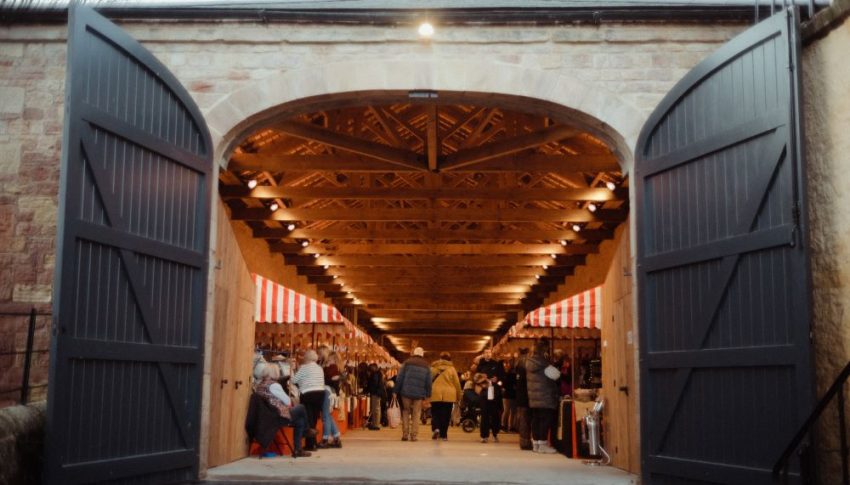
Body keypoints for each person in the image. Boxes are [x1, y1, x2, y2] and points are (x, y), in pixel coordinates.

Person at [249, 363, 313, 457]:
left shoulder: (260, 385)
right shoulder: (274, 385)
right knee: (301, 407)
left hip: (266, 417)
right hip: (277, 416)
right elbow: (288, 401)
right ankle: (306, 431)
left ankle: (298, 449)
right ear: (275, 373)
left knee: (300, 421)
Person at [526, 340, 560, 454]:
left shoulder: (529, 362)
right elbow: (556, 375)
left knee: (536, 420)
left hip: (533, 397)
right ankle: (543, 445)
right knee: (545, 420)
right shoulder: (543, 363)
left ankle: (535, 444)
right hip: (545, 396)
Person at [394, 347, 432, 441]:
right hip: (419, 394)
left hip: (405, 392)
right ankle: (414, 435)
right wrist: (428, 395)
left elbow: (400, 377)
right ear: (422, 354)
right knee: (416, 413)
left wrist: (395, 391)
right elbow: (428, 382)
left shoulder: (407, 363)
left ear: (414, 353)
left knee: (405, 411)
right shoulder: (426, 366)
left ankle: (405, 434)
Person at [291, 349, 325, 451]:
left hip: (308, 394)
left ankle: (310, 444)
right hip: (320, 394)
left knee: (308, 419)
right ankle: (313, 443)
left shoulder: (304, 368)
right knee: (314, 419)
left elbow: (294, 380)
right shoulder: (319, 368)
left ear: (306, 358)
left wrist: (292, 370)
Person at [430, 351, 462, 441]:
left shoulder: (433, 368)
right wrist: (459, 396)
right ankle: (443, 435)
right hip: (449, 395)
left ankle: (436, 428)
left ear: (440, 359)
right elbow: (457, 384)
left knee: (435, 413)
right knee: (446, 415)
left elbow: (428, 381)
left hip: (435, 393)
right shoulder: (452, 369)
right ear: (449, 359)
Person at [475, 349, 504, 443]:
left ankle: (495, 433)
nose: (488, 354)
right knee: (485, 414)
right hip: (484, 392)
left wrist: (497, 379)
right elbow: (476, 378)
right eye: (486, 353)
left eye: (489, 353)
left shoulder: (496, 364)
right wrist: (484, 380)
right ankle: (484, 436)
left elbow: (502, 376)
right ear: (483, 354)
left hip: (495, 392)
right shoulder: (480, 365)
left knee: (495, 414)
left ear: (491, 354)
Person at [319, 351, 342, 448]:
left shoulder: (332, 367)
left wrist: (324, 367)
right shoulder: (336, 368)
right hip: (331, 393)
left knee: (325, 416)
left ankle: (326, 439)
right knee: (328, 415)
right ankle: (336, 437)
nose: (328, 360)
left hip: (327, 392)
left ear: (334, 359)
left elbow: (327, 380)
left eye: (330, 359)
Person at [514, 347, 533, 450]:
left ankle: (523, 441)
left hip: (520, 397)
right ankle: (526, 442)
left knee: (522, 420)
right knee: (526, 420)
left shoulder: (518, 364)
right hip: (526, 396)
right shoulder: (525, 364)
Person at [365, 363, 385, 430]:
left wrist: (370, 389)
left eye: (371, 367)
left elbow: (374, 384)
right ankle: (375, 424)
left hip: (376, 393)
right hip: (377, 392)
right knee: (376, 409)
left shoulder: (375, 374)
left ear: (374, 367)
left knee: (376, 409)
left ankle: (376, 425)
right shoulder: (378, 374)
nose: (370, 369)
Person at [501, 356, 517, 432]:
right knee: (507, 410)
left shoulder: (511, 373)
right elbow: (504, 384)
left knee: (512, 411)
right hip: (508, 394)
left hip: (512, 394)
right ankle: (504, 425)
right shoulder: (507, 373)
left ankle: (510, 426)